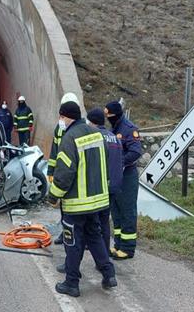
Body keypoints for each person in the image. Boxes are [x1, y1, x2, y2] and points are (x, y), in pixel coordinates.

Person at [46, 101, 117, 297]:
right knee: (94, 237)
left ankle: (71, 283)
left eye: (61, 116)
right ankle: (109, 273)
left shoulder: (69, 139)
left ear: (66, 116)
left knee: (73, 242)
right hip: (97, 202)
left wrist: (53, 196)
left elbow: (64, 175)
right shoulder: (95, 134)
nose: (60, 120)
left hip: (77, 204)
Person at [105, 100, 142, 260]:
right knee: (116, 210)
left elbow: (135, 152)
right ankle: (119, 243)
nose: (109, 119)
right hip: (116, 176)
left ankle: (128, 248)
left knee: (127, 211)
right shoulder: (113, 128)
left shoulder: (129, 129)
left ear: (117, 115)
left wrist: (119, 163)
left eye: (111, 116)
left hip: (127, 175)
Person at [87, 108, 123, 254]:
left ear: (93, 122)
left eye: (89, 121)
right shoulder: (114, 138)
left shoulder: (94, 138)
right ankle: (105, 252)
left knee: (92, 222)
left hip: (99, 187)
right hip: (114, 186)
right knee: (105, 221)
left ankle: (98, 253)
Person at [48, 92, 81, 246]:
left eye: (64, 115)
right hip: (63, 171)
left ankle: (79, 237)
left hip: (76, 172)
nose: (61, 119)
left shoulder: (81, 129)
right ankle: (65, 232)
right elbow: (54, 151)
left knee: (77, 209)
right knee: (64, 206)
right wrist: (50, 171)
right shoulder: (59, 129)